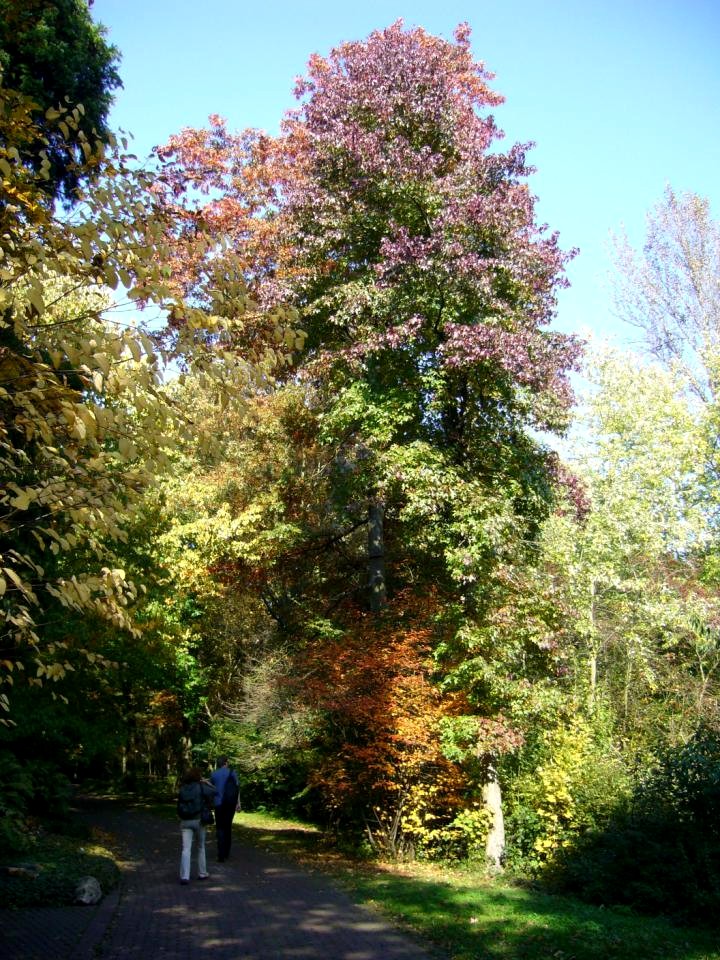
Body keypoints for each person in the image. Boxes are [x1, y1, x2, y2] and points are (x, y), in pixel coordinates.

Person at [177, 766, 216, 885]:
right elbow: (215, 792)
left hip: (185, 821)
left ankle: (185, 876)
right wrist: (207, 783)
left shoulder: (182, 788)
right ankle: (202, 873)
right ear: (198, 776)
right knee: (201, 847)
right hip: (199, 820)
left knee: (185, 849)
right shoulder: (201, 786)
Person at [210, 755, 240, 862]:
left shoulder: (214, 774)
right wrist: (238, 803)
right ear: (226, 763)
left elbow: (211, 788)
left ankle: (221, 854)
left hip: (218, 803)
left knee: (220, 828)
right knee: (228, 826)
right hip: (230, 803)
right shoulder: (232, 772)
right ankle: (227, 852)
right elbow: (237, 788)